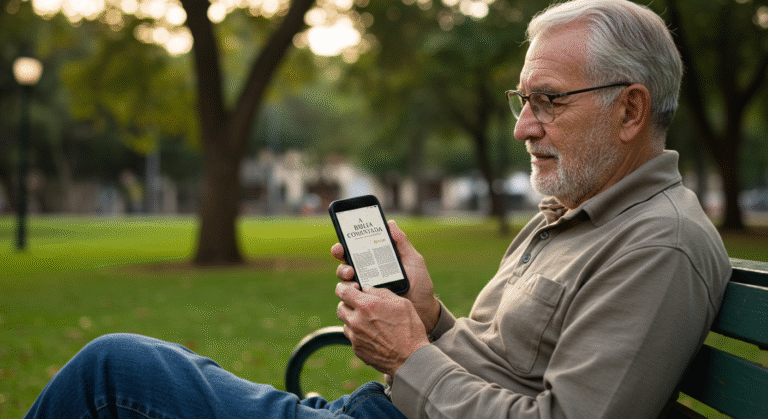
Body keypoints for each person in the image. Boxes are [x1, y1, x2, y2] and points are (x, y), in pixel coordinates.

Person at [25, 0, 730, 418]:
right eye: (523, 101)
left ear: (629, 110)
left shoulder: (657, 244)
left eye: (548, 101)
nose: (523, 126)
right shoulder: (576, 213)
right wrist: (430, 317)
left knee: (113, 374)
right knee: (141, 368)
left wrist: (409, 354)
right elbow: (501, 369)